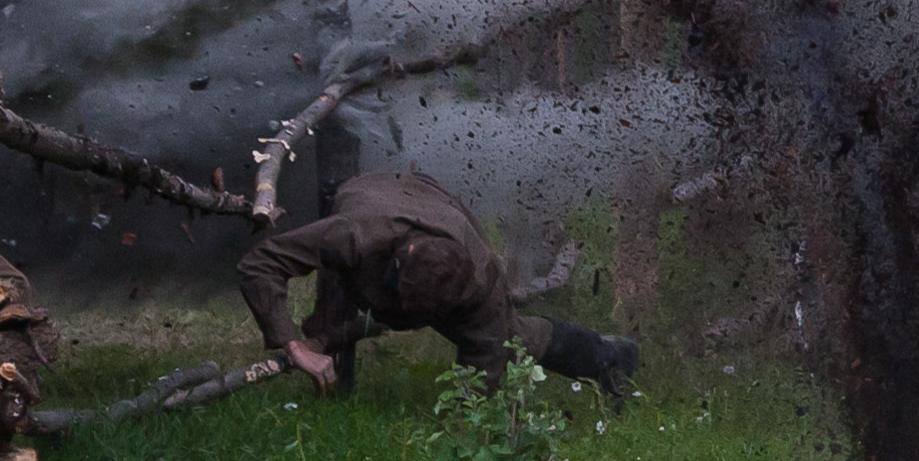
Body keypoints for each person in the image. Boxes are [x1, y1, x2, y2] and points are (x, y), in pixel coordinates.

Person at [237, 167, 638, 397]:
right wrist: (294, 345)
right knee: (327, 323)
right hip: (382, 189)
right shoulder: (354, 235)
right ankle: (333, 387)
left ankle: (609, 357)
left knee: (512, 340)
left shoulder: (479, 283)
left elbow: (483, 368)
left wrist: (464, 438)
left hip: (441, 207)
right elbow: (260, 264)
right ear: (404, 257)